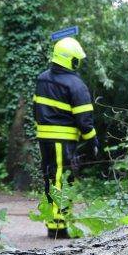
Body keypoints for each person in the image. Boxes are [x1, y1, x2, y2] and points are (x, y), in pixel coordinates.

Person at [33, 37, 96, 239]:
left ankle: (54, 222)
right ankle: (58, 226)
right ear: (70, 60)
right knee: (61, 180)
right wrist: (92, 138)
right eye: (77, 59)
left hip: (45, 139)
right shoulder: (75, 84)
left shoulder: (42, 79)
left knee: (51, 178)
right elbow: (84, 119)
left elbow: (37, 109)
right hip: (63, 140)